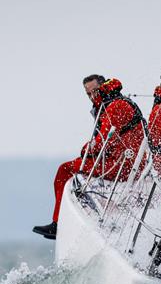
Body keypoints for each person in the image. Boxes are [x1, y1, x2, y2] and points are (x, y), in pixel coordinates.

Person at [32, 77, 146, 239]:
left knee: (65, 169)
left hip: (123, 167)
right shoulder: (116, 102)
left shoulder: (114, 106)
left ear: (103, 87)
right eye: (88, 94)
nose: (92, 97)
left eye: (95, 91)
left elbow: (101, 143)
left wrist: (85, 149)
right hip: (127, 163)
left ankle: (58, 224)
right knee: (77, 169)